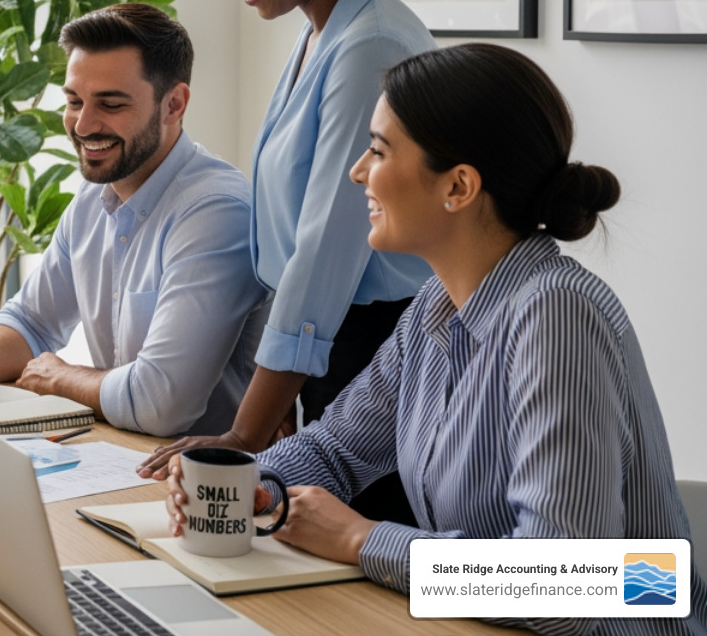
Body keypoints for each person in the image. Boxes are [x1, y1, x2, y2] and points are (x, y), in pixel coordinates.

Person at [161, 44, 707, 635]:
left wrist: (362, 538)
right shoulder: (436, 306)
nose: (358, 171)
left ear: (459, 187)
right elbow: (334, 452)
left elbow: (571, 582)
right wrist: (234, 483)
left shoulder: (557, 313)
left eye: (378, 150)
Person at [141, 0, 435, 523]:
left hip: (370, 346)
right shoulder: (323, 32)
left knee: (367, 556)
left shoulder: (368, 45)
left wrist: (246, 426)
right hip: (328, 355)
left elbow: (323, 253)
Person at [0, 4, 270, 438]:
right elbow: (33, 321)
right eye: (74, 101)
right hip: (119, 454)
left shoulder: (216, 212)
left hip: (200, 480)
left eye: (110, 104)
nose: (83, 125)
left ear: (174, 105)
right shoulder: (94, 196)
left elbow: (161, 403)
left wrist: (61, 378)